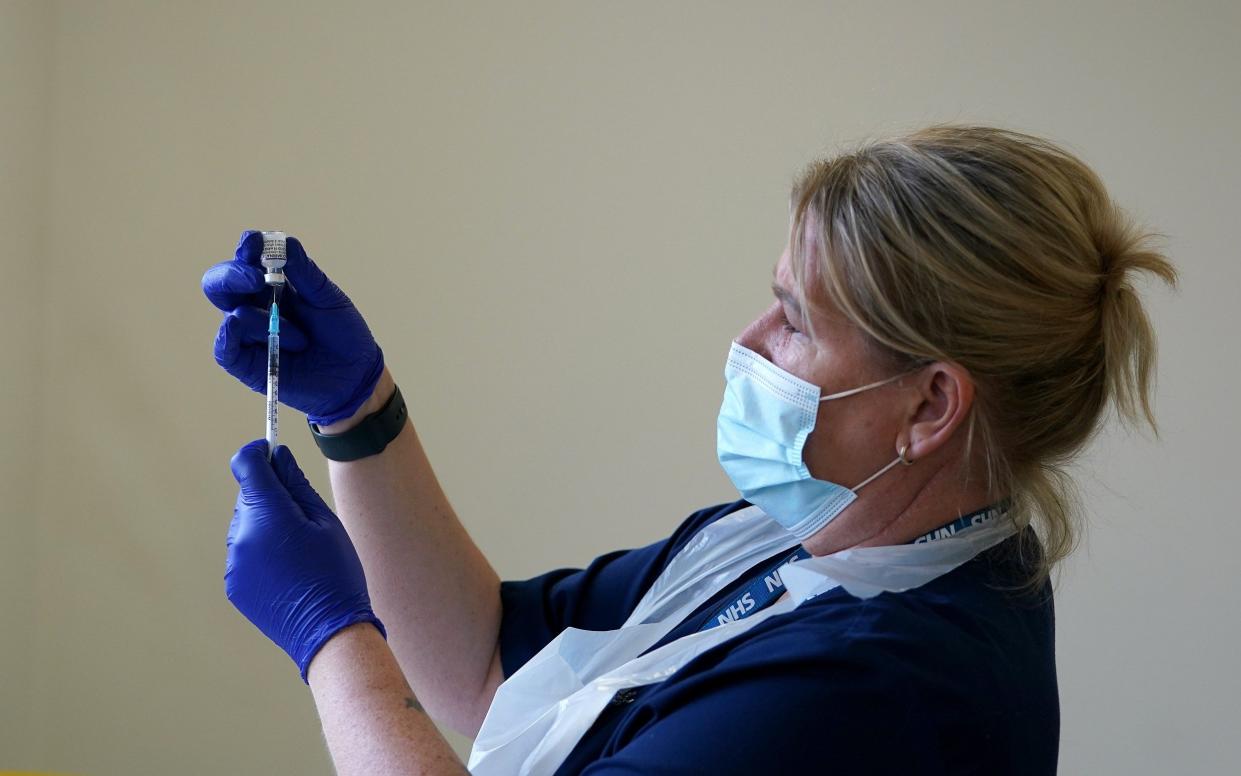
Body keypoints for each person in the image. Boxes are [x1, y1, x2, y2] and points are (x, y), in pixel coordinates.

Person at [202, 125, 1176, 775]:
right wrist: (360, 412)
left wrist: (327, 632)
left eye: (794, 320)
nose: (748, 339)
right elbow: (485, 667)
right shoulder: (810, 539)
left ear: (927, 405)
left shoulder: (881, 691)